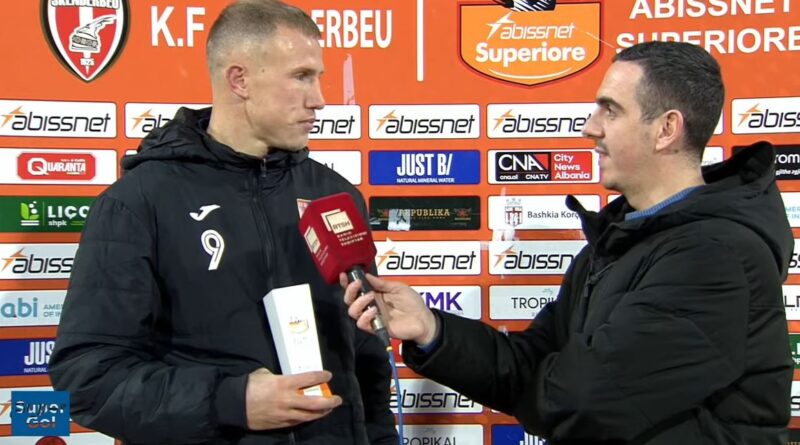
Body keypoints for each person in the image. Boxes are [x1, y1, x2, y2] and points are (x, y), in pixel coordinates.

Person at [344, 41, 793, 444]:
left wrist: (549, 385)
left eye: (610, 110)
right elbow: (530, 367)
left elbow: (586, 401)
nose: (589, 127)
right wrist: (431, 329)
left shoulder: (715, 256)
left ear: (666, 129)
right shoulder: (618, 242)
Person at [48, 1, 397, 444]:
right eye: (301, 76)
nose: (320, 99)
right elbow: (88, 377)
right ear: (239, 80)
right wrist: (230, 402)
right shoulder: (139, 202)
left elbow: (367, 359)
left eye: (319, 77)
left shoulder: (335, 196)